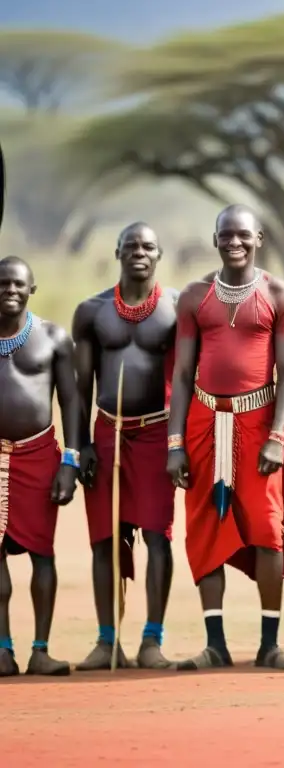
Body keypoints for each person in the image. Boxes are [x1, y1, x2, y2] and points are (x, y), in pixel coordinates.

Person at [166, 205, 284, 671]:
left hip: (258, 423)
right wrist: (175, 442)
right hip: (205, 422)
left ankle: (269, 644)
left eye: (243, 235)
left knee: (267, 529)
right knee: (205, 527)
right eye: (226, 235)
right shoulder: (193, 297)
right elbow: (183, 374)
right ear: (215, 239)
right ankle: (215, 645)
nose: (235, 242)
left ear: (259, 238)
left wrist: (278, 435)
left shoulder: (279, 295)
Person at [72, 222, 178, 671]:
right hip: (107, 431)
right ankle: (106, 641)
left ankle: (152, 640)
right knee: (104, 539)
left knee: (157, 535)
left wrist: (178, 443)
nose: (139, 252)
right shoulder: (92, 311)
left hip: (156, 433)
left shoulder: (175, 308)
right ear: (117, 251)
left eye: (148, 246)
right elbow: (79, 387)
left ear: (159, 254)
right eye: (131, 245)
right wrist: (80, 447)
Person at [0, 256, 79, 677]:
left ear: (32, 289)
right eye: (2, 284)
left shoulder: (53, 337)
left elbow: (70, 402)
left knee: (41, 554)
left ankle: (41, 650)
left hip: (39, 456)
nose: (9, 290)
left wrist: (71, 461)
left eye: (17, 284)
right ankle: (3, 649)